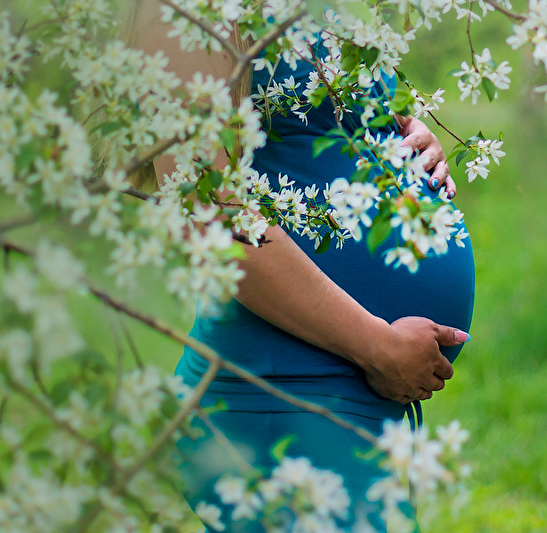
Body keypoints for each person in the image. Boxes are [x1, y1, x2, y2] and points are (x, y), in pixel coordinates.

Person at [127, 1, 475, 531]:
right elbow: (214, 217)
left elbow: (318, 128)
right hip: (281, 395)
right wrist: (378, 346)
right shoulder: (183, 12)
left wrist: (403, 137)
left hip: (335, 392)